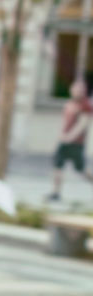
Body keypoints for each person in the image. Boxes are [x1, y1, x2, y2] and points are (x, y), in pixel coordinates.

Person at [48, 75, 91, 203]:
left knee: (81, 169)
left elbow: (83, 124)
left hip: (76, 143)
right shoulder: (69, 104)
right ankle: (56, 193)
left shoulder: (85, 105)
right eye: (75, 88)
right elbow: (64, 122)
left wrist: (69, 137)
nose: (77, 91)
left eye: (80, 89)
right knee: (57, 165)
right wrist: (61, 135)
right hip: (64, 141)